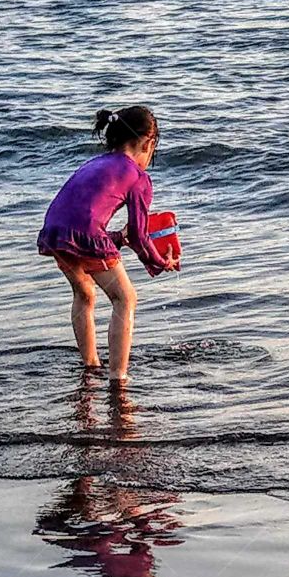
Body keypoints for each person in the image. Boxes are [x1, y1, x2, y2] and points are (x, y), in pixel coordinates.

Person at [37, 105, 178, 383]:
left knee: (85, 294)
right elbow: (140, 235)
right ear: (148, 143)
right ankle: (118, 377)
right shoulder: (138, 177)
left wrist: (114, 238)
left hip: (54, 229)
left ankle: (90, 366)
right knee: (125, 298)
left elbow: (81, 213)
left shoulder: (95, 163)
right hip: (82, 232)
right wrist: (160, 262)